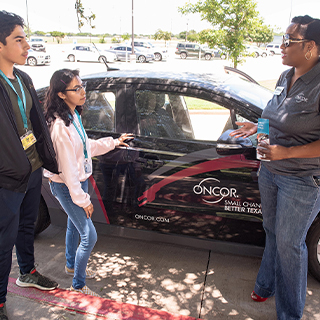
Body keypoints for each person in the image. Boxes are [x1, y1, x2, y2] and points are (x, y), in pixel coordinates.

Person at [230, 15, 320, 320]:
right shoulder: (286, 76)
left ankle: (289, 316)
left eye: (289, 40)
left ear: (311, 48)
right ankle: (266, 285)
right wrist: (256, 128)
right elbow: (275, 115)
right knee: (272, 231)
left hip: (301, 180)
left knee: (291, 246)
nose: (281, 45)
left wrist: (287, 153)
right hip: (269, 172)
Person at [44, 69, 133, 297]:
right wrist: (83, 200)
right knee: (89, 235)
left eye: (82, 86)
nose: (83, 91)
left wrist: (114, 142)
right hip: (67, 186)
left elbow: (85, 147)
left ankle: (71, 265)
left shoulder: (72, 116)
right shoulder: (60, 128)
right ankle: (78, 285)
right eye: (77, 88)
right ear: (62, 94)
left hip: (77, 183)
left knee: (74, 227)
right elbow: (68, 169)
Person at [0, 11, 59, 320]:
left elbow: (35, 122)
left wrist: (48, 157)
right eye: (19, 39)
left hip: (32, 167)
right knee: (3, 238)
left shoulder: (23, 78)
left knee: (26, 227)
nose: (27, 46)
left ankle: (28, 272)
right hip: (7, 176)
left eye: (27, 39)